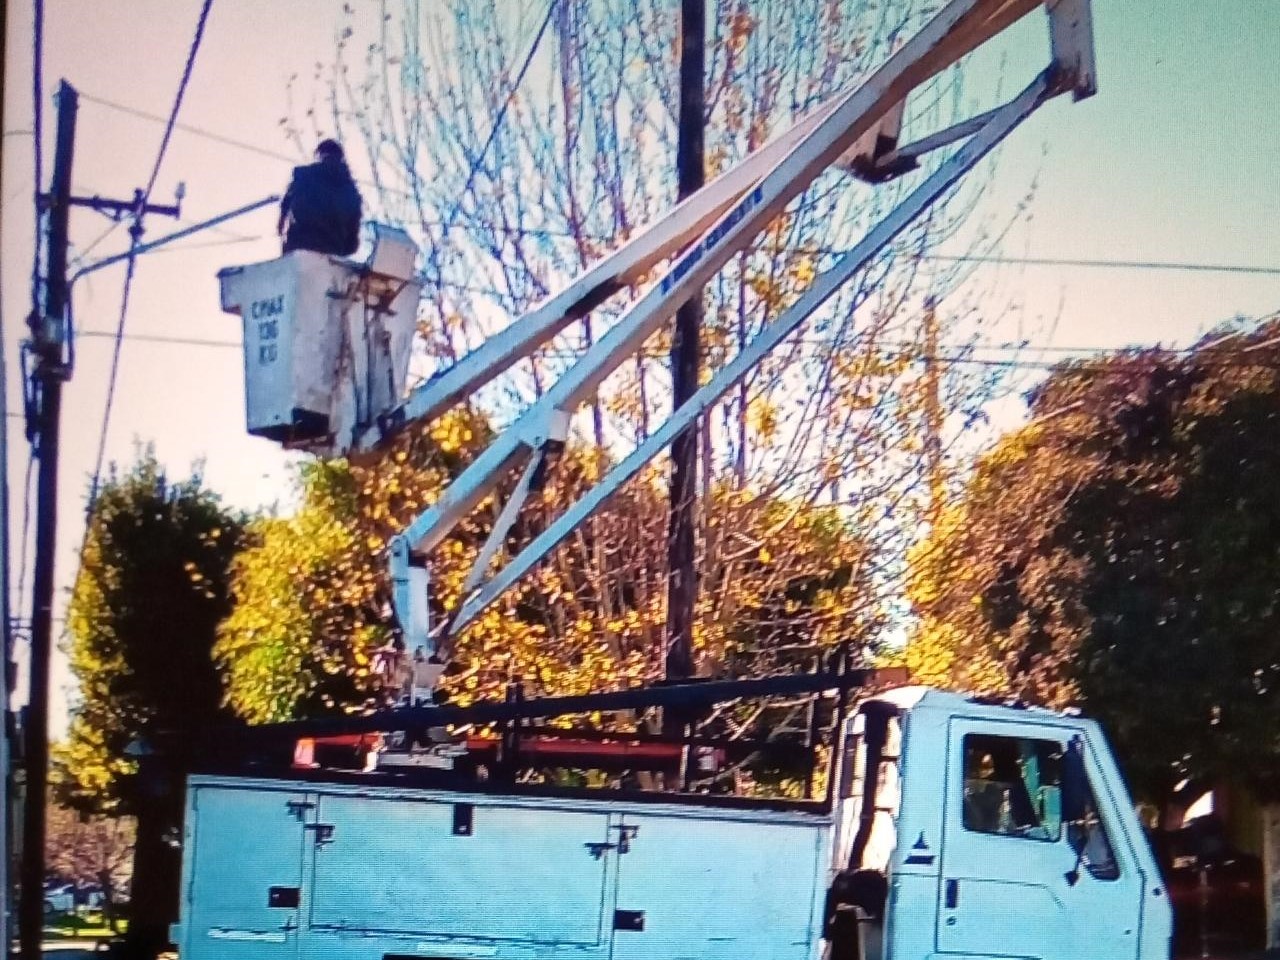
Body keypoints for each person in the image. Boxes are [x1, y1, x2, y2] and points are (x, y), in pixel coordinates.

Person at [277, 138, 363, 256]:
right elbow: (352, 242)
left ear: (319, 155)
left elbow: (285, 207)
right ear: (341, 158)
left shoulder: (304, 176)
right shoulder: (351, 192)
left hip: (299, 244)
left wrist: (282, 225)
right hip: (333, 251)